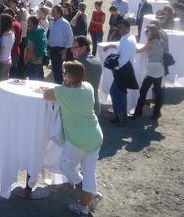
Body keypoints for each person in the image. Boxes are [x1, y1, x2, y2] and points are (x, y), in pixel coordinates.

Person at [42, 61, 103, 215]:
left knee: (66, 167)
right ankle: (87, 199)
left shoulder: (63, 91)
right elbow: (58, 92)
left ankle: (88, 196)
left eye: (64, 72)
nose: (62, 74)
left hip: (78, 139)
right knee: (89, 172)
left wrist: (57, 89)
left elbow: (46, 95)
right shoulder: (87, 86)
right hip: (95, 135)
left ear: (69, 76)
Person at [102, 20, 137, 124]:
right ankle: (120, 115)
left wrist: (114, 69)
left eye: (121, 27)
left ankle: (121, 117)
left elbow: (123, 59)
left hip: (123, 69)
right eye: (118, 27)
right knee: (118, 92)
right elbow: (120, 46)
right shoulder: (127, 38)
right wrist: (112, 45)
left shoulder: (128, 40)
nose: (118, 29)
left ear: (127, 28)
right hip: (124, 69)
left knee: (118, 92)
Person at [133, 25, 167, 120]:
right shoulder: (162, 41)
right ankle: (156, 113)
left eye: (147, 31)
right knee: (158, 92)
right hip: (160, 68)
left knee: (143, 91)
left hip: (152, 69)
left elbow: (138, 51)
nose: (146, 33)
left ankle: (137, 113)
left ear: (152, 33)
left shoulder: (150, 43)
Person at [71, 36, 103, 116]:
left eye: (75, 47)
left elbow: (69, 86)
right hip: (94, 106)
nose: (72, 50)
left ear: (84, 48)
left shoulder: (79, 65)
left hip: (83, 109)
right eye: (72, 47)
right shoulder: (97, 60)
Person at [48, 5, 72, 85]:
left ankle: (61, 88)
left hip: (60, 50)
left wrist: (65, 51)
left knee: (60, 71)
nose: (52, 12)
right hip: (53, 50)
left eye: (53, 11)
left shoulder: (65, 23)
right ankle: (57, 86)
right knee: (55, 71)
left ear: (59, 13)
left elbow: (70, 38)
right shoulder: (52, 21)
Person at [24, 15, 47, 80]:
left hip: (33, 60)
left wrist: (26, 60)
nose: (27, 22)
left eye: (28, 21)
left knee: (33, 80)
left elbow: (30, 50)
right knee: (39, 78)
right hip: (40, 58)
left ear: (31, 22)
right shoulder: (41, 30)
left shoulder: (33, 34)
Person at [0, 14, 14, 82]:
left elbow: (1, 51)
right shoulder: (12, 33)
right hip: (8, 60)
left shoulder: (3, 37)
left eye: (0, 21)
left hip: (2, 62)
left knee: (0, 83)